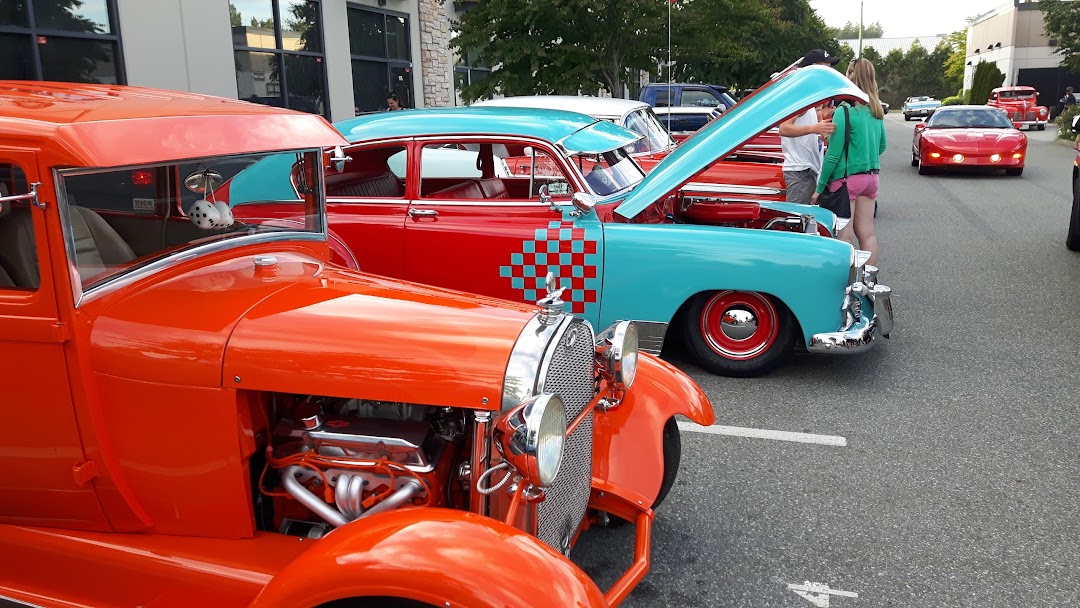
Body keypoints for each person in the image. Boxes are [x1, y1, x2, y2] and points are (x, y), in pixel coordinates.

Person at [812, 57, 887, 267]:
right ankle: (869, 279)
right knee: (867, 233)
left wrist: (818, 189)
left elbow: (833, 155)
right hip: (871, 177)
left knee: (845, 238)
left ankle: (847, 284)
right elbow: (882, 146)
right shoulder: (876, 111)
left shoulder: (844, 111)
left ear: (852, 77)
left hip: (846, 181)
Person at [778, 49, 840, 204]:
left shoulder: (808, 96)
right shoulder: (799, 97)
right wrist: (814, 129)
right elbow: (784, 128)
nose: (829, 72)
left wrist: (819, 133)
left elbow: (805, 128)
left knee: (803, 220)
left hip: (806, 168)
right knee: (796, 219)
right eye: (825, 68)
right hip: (799, 170)